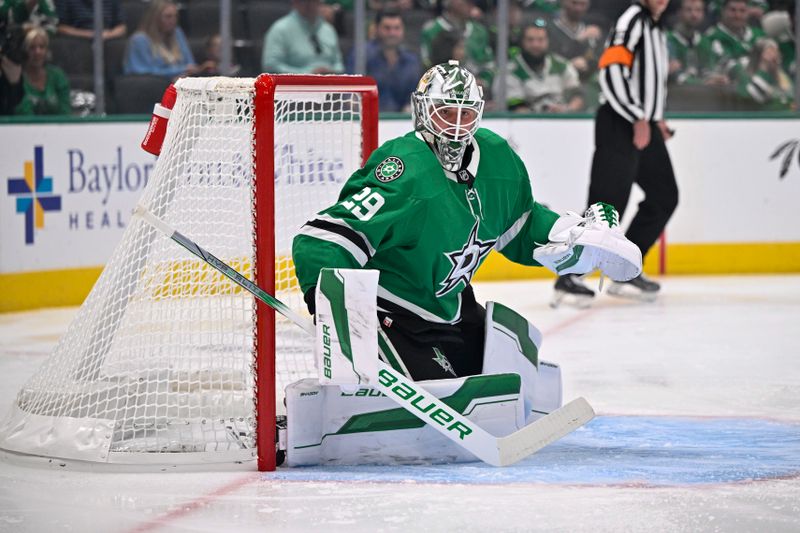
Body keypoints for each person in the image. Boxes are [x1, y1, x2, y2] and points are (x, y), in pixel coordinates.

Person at [292, 60, 640, 383]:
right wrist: (330, 308)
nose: (456, 127)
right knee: (444, 387)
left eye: (466, 114)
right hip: (394, 313)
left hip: (454, 308)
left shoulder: (498, 158)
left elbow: (519, 226)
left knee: (514, 380)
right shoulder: (405, 171)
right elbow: (323, 240)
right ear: (423, 111)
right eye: (445, 113)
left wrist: (568, 233)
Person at [553, 0, 679, 305]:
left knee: (664, 196)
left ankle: (626, 270)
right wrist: (638, 116)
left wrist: (655, 116)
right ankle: (568, 278)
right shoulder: (632, 20)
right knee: (605, 207)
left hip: (643, 123)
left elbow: (647, 81)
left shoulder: (654, 26)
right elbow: (611, 72)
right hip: (621, 123)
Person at [498, 19, 584, 113]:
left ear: (548, 41)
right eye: (530, 40)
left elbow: (577, 95)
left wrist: (567, 110)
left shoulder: (562, 65)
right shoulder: (511, 71)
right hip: (526, 124)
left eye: (540, 40)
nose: (536, 45)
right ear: (522, 42)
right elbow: (515, 107)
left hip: (560, 121)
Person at [345, 10, 421, 112]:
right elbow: (350, 94)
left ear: (403, 30)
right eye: (387, 28)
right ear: (376, 29)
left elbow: (414, 98)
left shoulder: (411, 60)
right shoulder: (360, 55)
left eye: (397, 28)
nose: (392, 33)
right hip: (368, 119)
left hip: (400, 123)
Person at [123, 0, 208, 79]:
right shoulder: (140, 40)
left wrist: (196, 69)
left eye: (175, 16)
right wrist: (180, 71)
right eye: (168, 17)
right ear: (155, 18)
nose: (173, 21)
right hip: (153, 85)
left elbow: (190, 63)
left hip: (181, 82)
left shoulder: (177, 32)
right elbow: (145, 72)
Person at [420, 0, 493, 89]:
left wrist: (483, 82)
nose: (469, 3)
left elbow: (489, 65)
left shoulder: (480, 31)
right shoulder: (431, 30)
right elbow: (426, 65)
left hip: (478, 93)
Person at [261, 0, 344, 75]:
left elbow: (339, 64)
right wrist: (306, 73)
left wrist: (332, 71)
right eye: (304, 1)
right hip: (294, 88)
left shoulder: (329, 29)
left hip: (329, 86)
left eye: (313, 1)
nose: (309, 4)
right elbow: (271, 65)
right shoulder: (280, 29)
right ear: (294, 3)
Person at [700, 0, 764, 81]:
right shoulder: (711, 37)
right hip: (728, 89)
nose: (737, 15)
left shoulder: (759, 34)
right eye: (732, 10)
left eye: (742, 11)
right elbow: (729, 67)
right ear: (723, 11)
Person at [13, 26, 69, 114]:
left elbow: (65, 112)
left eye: (41, 47)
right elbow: (22, 114)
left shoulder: (58, 77)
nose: (37, 52)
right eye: (32, 47)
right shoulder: (16, 79)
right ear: (24, 51)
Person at [736, 37, 794, 110]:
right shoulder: (748, 77)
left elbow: (790, 95)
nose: (777, 56)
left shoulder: (780, 75)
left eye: (777, 51)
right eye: (772, 51)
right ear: (762, 55)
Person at [56, 0, 126, 40]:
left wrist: (109, 34)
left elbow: (121, 27)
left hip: (106, 38)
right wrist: (90, 34)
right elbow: (61, 27)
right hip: (76, 39)